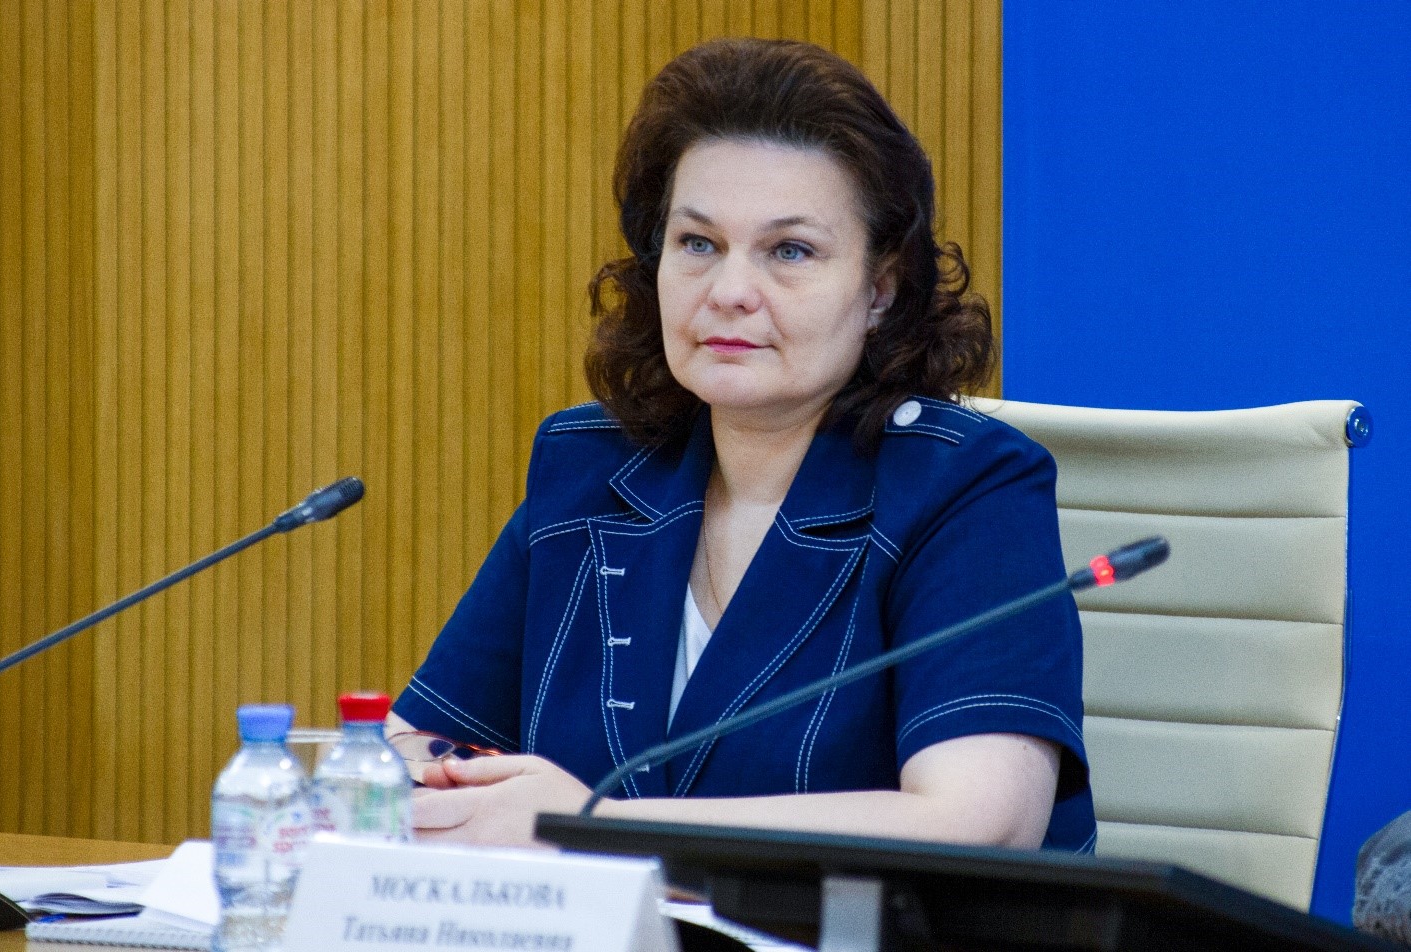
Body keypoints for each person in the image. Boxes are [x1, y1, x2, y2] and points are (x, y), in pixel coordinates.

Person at [387, 37, 1095, 853]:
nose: (729, 292)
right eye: (698, 244)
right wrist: (434, 785)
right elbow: (414, 745)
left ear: (879, 289)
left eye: (789, 251)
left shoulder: (967, 488)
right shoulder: (593, 470)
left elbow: (980, 825)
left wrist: (590, 830)